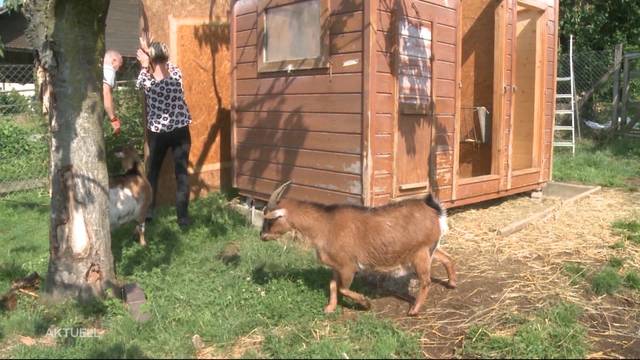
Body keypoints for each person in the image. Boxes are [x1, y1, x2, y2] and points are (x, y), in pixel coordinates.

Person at [136, 39, 192, 228]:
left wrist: (145, 64)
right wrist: (149, 52)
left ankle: (149, 211)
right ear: (166, 57)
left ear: (151, 59)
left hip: (159, 134)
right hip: (180, 131)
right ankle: (183, 218)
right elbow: (162, 67)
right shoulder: (176, 74)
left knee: (153, 172)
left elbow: (140, 83)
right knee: (181, 173)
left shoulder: (147, 80)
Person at [103, 49, 123, 135]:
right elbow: (106, 93)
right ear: (114, 60)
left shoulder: (101, 69)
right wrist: (113, 119)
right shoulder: (109, 71)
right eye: (120, 64)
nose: (118, 69)